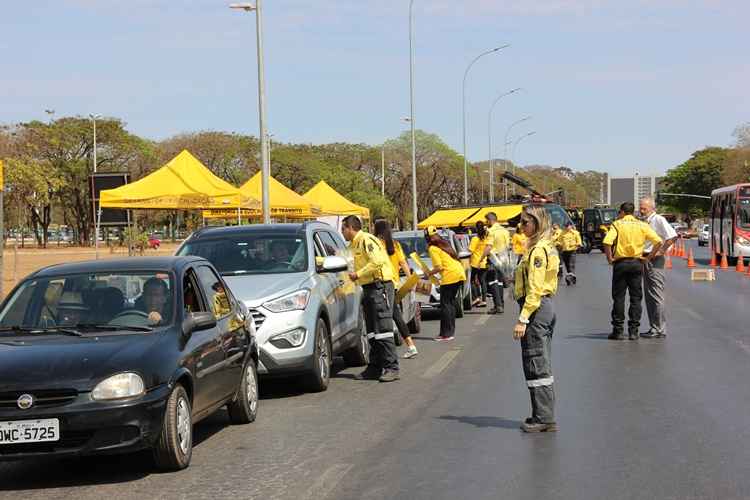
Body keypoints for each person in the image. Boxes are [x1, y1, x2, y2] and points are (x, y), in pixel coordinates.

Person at [512, 206, 560, 433]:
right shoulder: (541, 247)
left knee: (536, 361)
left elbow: (535, 289)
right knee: (539, 361)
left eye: (525, 223)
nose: (521, 227)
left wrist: (523, 319)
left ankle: (544, 418)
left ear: (537, 224)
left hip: (537, 308)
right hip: (543, 308)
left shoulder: (538, 251)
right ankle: (540, 414)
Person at [342, 215, 400, 382]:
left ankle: (391, 367)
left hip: (379, 286)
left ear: (351, 228)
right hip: (367, 288)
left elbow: (378, 262)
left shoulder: (367, 240)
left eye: (343, 229)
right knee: (372, 332)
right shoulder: (353, 244)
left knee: (383, 328)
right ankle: (375, 367)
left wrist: (357, 274)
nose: (343, 232)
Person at [602, 202, 663, 341]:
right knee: (636, 298)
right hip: (637, 263)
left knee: (619, 297)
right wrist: (648, 258)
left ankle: (618, 331)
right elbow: (658, 242)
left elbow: (607, 242)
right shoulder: (642, 225)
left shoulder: (617, 224)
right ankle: (633, 331)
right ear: (633, 211)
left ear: (622, 212)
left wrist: (610, 258)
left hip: (621, 263)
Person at [374, 219, 419, 359]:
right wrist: (410, 280)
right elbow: (404, 263)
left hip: (382, 284)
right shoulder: (395, 245)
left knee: (388, 317)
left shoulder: (376, 245)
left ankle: (405, 347)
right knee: (395, 315)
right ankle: (410, 345)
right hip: (394, 285)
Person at [639, 196, 678, 339]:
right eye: (640, 208)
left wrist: (661, 251)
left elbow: (672, 236)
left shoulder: (658, 220)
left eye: (644, 208)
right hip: (645, 257)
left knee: (656, 294)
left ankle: (660, 329)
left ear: (652, 208)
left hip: (655, 258)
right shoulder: (644, 221)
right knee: (649, 295)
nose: (641, 210)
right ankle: (653, 327)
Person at [424, 226, 466, 342]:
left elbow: (439, 267)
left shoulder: (433, 248)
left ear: (427, 237)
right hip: (459, 273)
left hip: (450, 275)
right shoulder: (443, 243)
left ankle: (446, 334)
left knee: (445, 305)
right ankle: (449, 332)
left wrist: (428, 273)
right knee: (450, 304)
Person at [483, 212, 511, 314]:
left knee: (492, 282)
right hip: (503, 258)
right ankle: (501, 305)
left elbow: (489, 246)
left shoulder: (491, 231)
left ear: (490, 220)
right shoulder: (505, 231)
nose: (486, 223)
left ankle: (498, 306)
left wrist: (481, 258)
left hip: (493, 258)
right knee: (499, 282)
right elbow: (508, 246)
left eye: (486, 221)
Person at [468, 221, 490, 308]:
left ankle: (476, 297)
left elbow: (470, 250)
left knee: (472, 280)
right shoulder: (486, 239)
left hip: (475, 263)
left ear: (476, 228)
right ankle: (484, 300)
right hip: (484, 262)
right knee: (483, 281)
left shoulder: (475, 239)